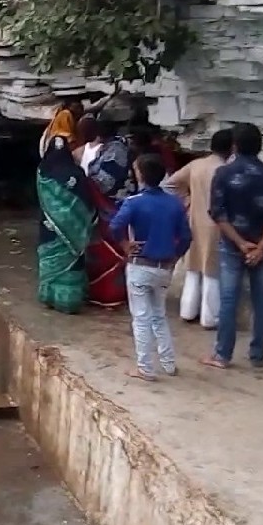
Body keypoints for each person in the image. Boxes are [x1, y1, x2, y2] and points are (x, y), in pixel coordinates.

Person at [202, 122, 263, 370]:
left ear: (235, 146)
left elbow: (218, 213)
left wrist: (240, 243)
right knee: (261, 300)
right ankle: (258, 354)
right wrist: (260, 247)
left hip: (232, 245)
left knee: (229, 299)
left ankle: (222, 355)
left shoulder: (224, 174)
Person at [110, 154, 191, 381]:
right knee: (159, 316)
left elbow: (115, 226)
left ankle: (145, 368)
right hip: (164, 267)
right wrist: (175, 257)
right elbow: (186, 237)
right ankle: (168, 363)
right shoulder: (175, 204)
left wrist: (126, 245)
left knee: (141, 318)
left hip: (140, 265)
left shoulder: (134, 202)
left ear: (141, 176)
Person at [164, 128, 232, 329]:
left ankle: (187, 311)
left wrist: (187, 200)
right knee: (212, 271)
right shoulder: (226, 170)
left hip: (194, 220)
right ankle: (210, 318)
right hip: (217, 224)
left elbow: (170, 185)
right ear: (231, 148)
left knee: (193, 267)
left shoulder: (196, 165)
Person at [36, 136, 96, 314]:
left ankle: (49, 296)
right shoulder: (77, 174)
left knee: (49, 259)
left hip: (48, 225)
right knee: (71, 260)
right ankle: (69, 302)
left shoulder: (42, 172)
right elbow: (86, 201)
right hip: (73, 231)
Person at [85, 120, 134, 307]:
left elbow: (106, 182)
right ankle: (101, 292)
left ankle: (112, 294)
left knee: (112, 248)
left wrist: (86, 183)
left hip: (114, 207)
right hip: (106, 208)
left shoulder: (116, 151)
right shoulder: (106, 149)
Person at [39, 94, 115, 156]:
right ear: (69, 107)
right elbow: (66, 138)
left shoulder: (68, 116)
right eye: (77, 107)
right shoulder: (65, 115)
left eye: (81, 107)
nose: (80, 110)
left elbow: (95, 106)